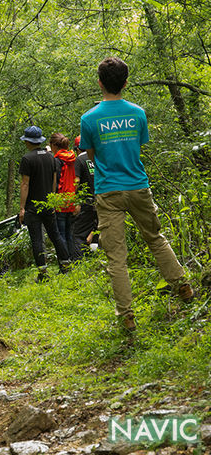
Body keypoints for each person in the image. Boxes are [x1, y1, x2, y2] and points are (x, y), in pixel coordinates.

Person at [79, 57, 194, 332]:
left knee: (116, 257)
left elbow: (91, 156)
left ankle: (127, 316)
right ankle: (184, 288)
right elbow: (137, 147)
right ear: (126, 83)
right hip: (138, 186)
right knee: (156, 238)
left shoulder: (89, 119)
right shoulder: (138, 113)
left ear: (99, 82)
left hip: (108, 191)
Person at [19, 126, 72, 282]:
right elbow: (55, 180)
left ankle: (43, 273)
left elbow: (25, 184)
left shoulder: (27, 159)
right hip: (49, 203)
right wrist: (53, 199)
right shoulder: (51, 157)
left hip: (33, 206)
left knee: (37, 239)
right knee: (55, 235)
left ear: (28, 141)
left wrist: (22, 208)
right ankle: (66, 266)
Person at [49, 132, 78, 260]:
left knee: (61, 234)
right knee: (69, 234)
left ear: (54, 145)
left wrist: (53, 201)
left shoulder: (56, 160)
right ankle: (72, 260)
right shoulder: (73, 158)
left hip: (60, 200)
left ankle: (65, 263)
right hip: (71, 199)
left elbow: (55, 182)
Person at [72, 135, 99, 258]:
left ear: (77, 149)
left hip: (85, 202)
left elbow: (76, 181)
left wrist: (75, 201)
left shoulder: (79, 160)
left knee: (78, 234)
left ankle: (79, 263)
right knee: (96, 230)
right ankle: (95, 260)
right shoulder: (97, 157)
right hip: (100, 200)